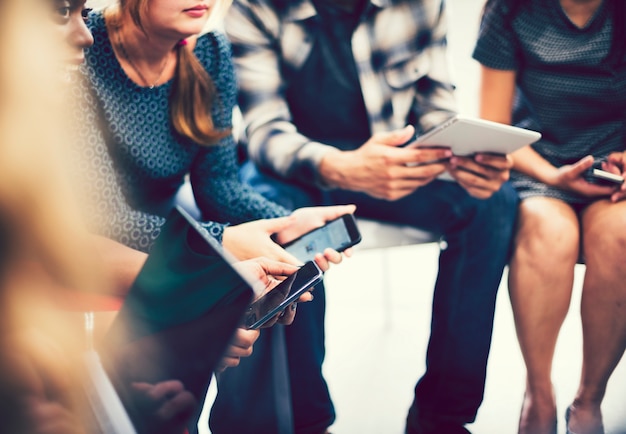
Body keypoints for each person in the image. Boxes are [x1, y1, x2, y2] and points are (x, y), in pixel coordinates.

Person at [222, 0, 520, 433]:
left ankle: (442, 416)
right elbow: (266, 131)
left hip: (389, 165)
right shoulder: (254, 10)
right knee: (273, 222)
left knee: (493, 203)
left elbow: (435, 106)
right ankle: (304, 421)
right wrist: (342, 167)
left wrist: (460, 156)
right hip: (294, 172)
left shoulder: (420, 5)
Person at [77, 0, 355, 432]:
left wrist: (285, 224)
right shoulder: (82, 49)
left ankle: (296, 423)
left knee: (292, 269)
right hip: (97, 234)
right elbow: (107, 220)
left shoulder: (210, 50)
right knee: (231, 278)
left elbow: (219, 185)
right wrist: (220, 241)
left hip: (169, 223)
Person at [473, 0, 626, 433]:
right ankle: (538, 392)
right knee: (548, 232)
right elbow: (495, 129)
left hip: (612, 173)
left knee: (621, 235)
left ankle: (589, 399)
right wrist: (553, 175)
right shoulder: (510, 10)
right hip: (537, 164)